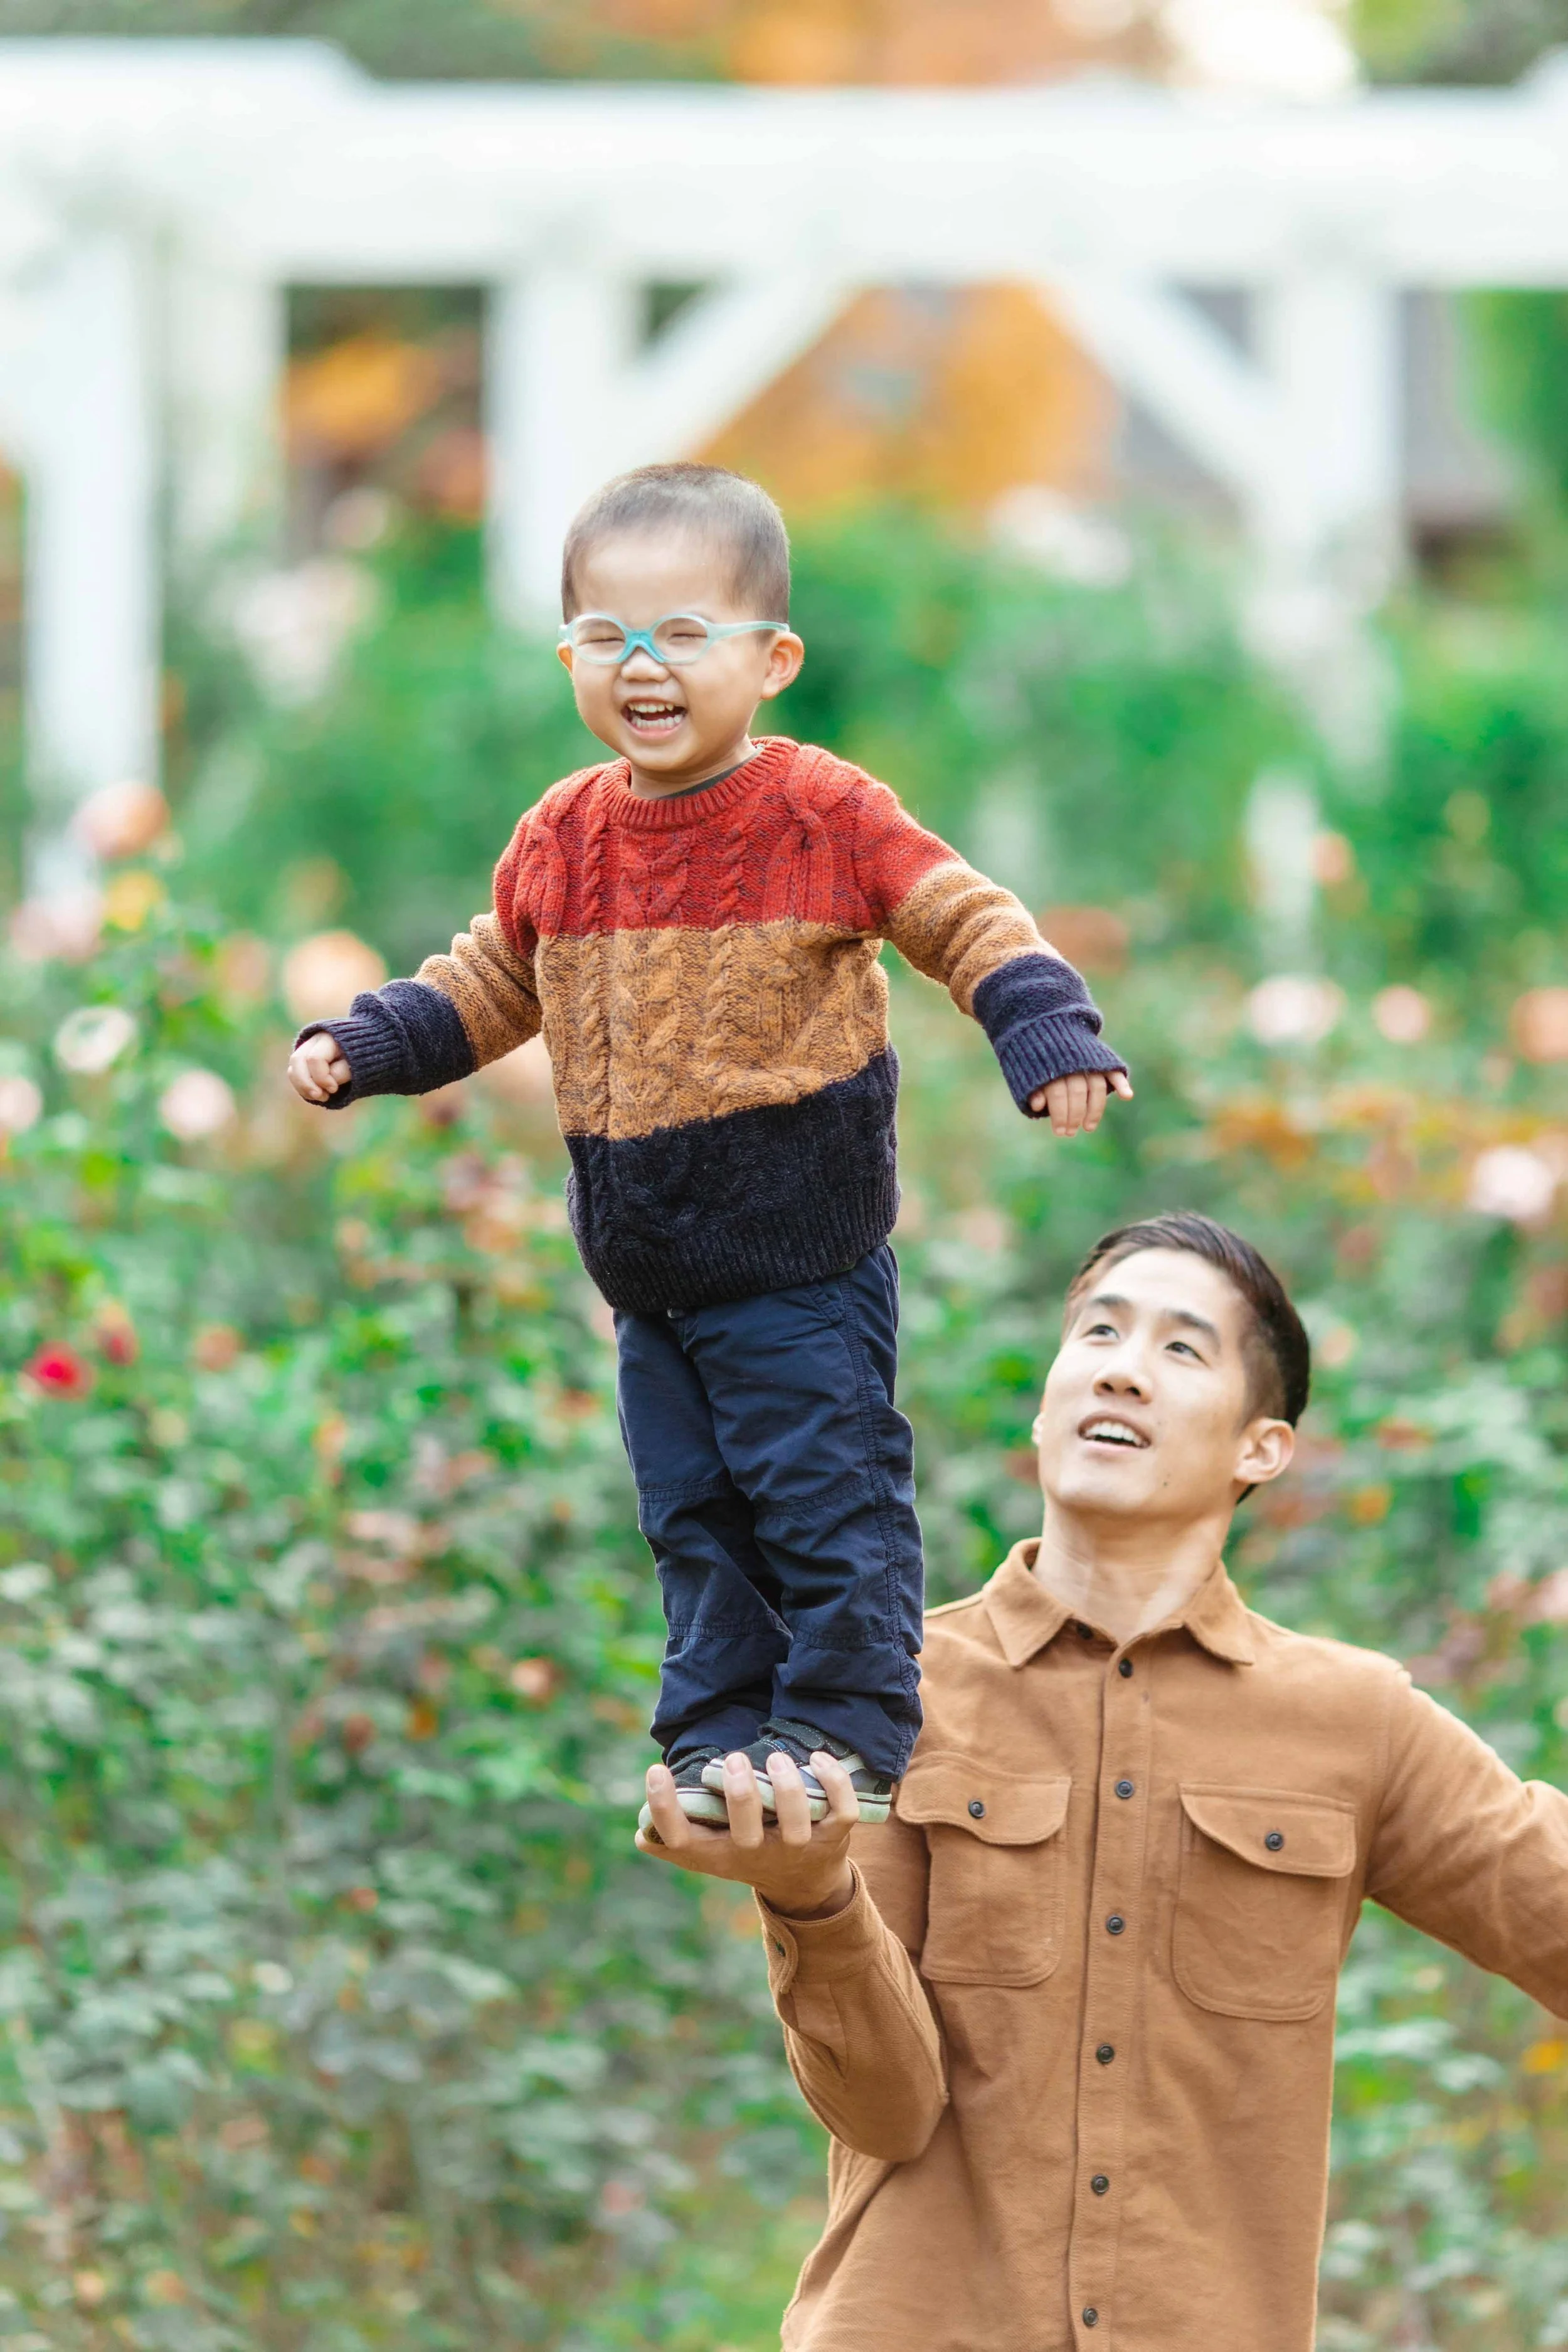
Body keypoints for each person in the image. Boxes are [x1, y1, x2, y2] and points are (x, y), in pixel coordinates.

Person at [286, 461, 1131, 1828]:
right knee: (690, 1511)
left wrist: (1042, 1026)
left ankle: (845, 1732)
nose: (642, 667)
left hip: (796, 1253)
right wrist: (375, 1041)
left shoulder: (820, 811)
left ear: (770, 656)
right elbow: (495, 978)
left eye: (683, 633)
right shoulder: (563, 831)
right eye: (605, 637)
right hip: (649, 1267)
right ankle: (717, 1733)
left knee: (821, 1489)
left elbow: (960, 916)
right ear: (567, 653)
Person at [637, 1209, 1568, 2352]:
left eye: (1181, 1349)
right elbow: (884, 2107)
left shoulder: (1352, 1722)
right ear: (1046, 1404)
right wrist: (808, 1895)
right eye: (1098, 1333)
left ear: (1260, 1446)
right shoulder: (880, 1695)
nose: (1123, 1369)